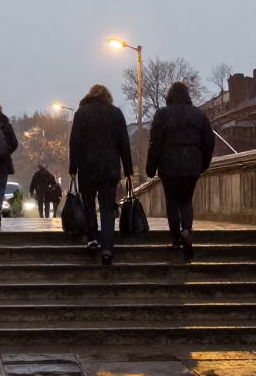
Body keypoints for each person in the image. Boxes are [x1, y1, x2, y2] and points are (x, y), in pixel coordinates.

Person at [145, 81, 215, 261]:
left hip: (169, 164)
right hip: (191, 164)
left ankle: (176, 236)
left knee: (172, 201)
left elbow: (156, 143)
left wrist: (151, 167)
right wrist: (202, 163)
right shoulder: (198, 115)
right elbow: (209, 141)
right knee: (186, 200)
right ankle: (186, 231)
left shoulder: (162, 114)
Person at [69, 84, 133, 264]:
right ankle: (107, 249)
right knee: (107, 209)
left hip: (87, 167)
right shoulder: (116, 113)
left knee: (88, 204)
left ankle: (92, 238)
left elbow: (74, 142)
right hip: (109, 167)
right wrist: (128, 169)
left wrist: (73, 168)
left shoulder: (81, 114)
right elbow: (124, 143)